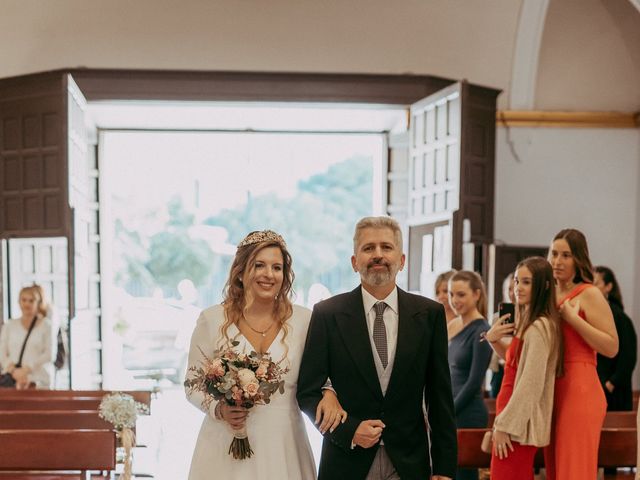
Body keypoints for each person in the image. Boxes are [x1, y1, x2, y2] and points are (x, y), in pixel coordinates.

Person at [297, 216, 457, 480]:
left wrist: (444, 468)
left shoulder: (430, 314)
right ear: (354, 261)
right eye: (368, 248)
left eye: (386, 247)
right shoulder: (328, 314)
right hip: (346, 462)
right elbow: (307, 392)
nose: (378, 255)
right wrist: (349, 431)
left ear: (402, 260)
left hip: (409, 462)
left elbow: (440, 399)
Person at [184, 230, 344, 480]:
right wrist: (219, 409)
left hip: (284, 444)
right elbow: (192, 384)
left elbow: (326, 373)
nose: (269, 274)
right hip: (225, 445)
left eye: (277, 267)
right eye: (259, 265)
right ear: (240, 270)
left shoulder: (305, 321)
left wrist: (329, 392)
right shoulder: (212, 319)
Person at [544, 228, 618, 480]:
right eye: (554, 253)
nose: (557, 261)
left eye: (566, 255)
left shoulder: (589, 293)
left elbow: (611, 346)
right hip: (551, 385)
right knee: (554, 468)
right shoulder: (548, 293)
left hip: (580, 387)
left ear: (578, 259)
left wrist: (574, 320)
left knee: (573, 469)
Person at [484, 257, 563, 479]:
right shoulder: (529, 323)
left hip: (516, 426)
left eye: (526, 282)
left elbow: (531, 384)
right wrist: (493, 339)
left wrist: (504, 426)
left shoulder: (539, 327)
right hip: (511, 418)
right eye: (517, 281)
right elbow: (513, 365)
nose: (518, 288)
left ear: (544, 285)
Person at [447, 270, 492, 480]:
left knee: (464, 474)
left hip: (467, 412)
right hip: (451, 409)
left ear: (476, 295)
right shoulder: (454, 325)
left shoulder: (482, 330)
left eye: (461, 295)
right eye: (451, 294)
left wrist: (448, 410)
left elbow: (474, 382)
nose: (454, 300)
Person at [594, 265, 637, 411]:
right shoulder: (589, 314)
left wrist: (611, 383)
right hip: (595, 388)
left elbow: (628, 356)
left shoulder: (620, 318)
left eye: (596, 283)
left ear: (608, 287)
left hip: (613, 394)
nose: (592, 288)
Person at [0, 285, 55, 389]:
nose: (27, 304)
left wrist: (26, 369)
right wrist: (14, 371)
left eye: (31, 301)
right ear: (19, 302)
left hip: (39, 380)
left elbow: (49, 354)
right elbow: (2, 353)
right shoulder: (9, 325)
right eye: (24, 300)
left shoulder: (47, 326)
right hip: (12, 380)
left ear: (38, 303)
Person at [489, 273, 516, 398]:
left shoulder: (528, 317)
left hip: (516, 368)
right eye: (508, 289)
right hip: (499, 370)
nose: (512, 293)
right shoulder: (496, 318)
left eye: (514, 287)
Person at [434, 269, 462, 340]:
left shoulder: (464, 320)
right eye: (437, 292)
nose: (440, 296)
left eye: (445, 291)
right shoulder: (433, 319)